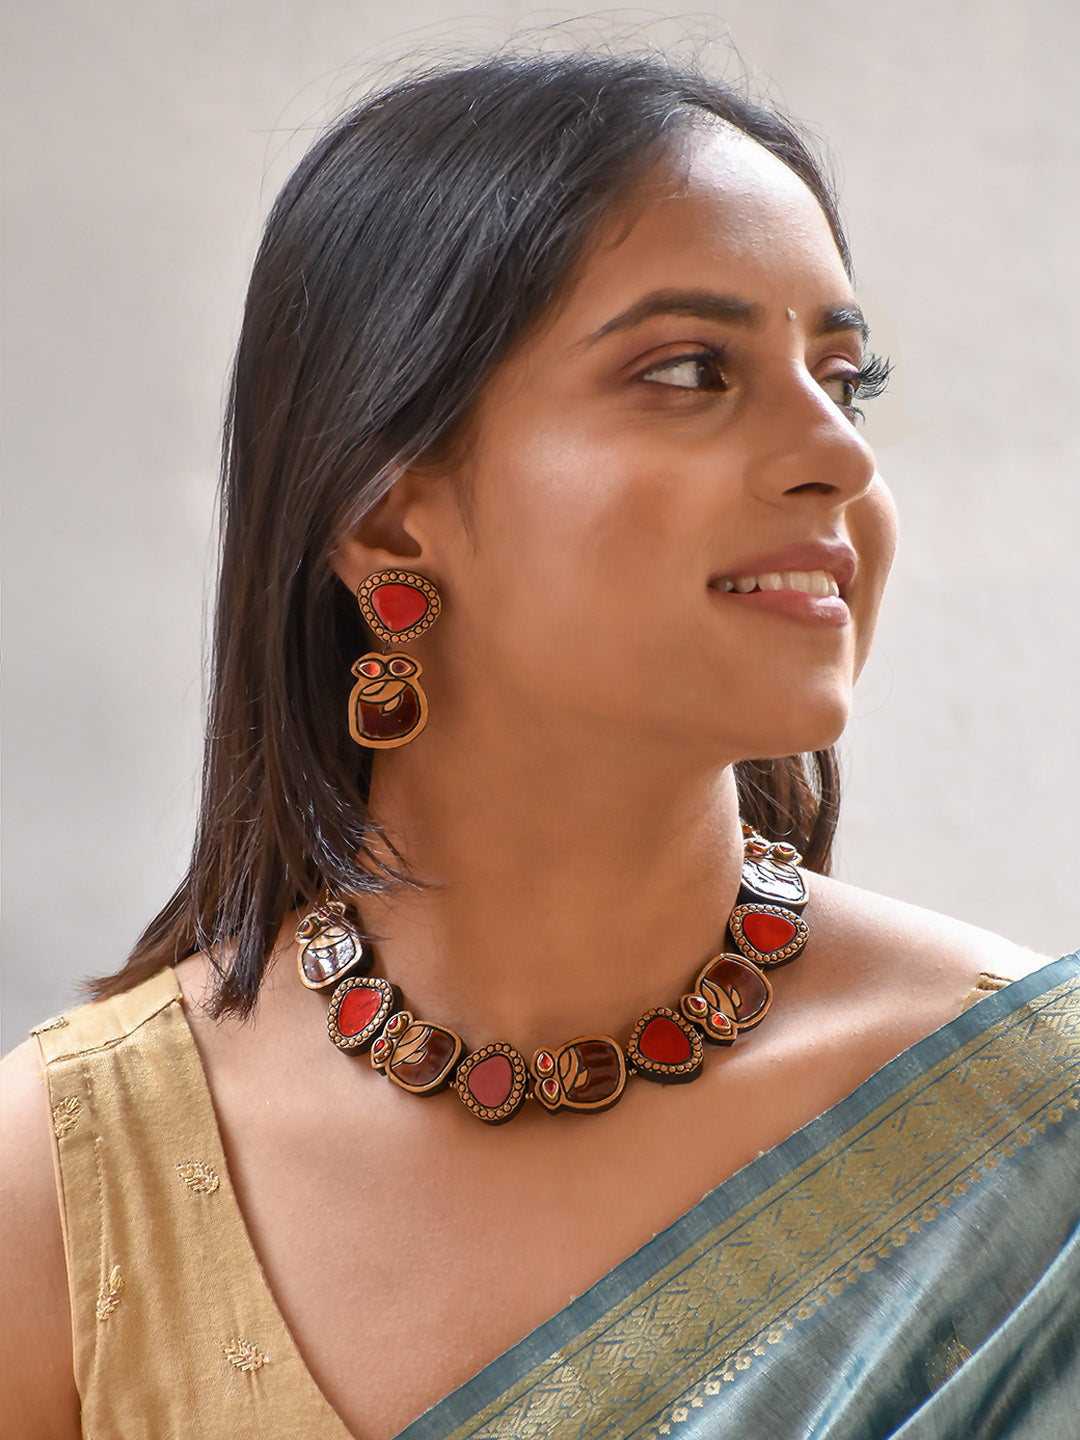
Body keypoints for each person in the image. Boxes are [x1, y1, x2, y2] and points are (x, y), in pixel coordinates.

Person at [2, 49, 1077, 1440]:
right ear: (392, 514)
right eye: (691, 370)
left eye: (844, 379)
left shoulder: (1034, 1140)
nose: (842, 456)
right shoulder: (71, 1194)